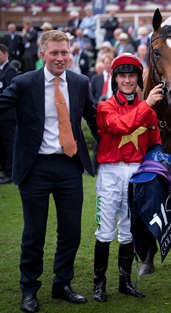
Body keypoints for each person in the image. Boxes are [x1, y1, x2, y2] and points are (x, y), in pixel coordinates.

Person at [0, 30, 98, 313]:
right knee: (34, 232)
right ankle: (29, 289)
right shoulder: (24, 83)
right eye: (54, 53)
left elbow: (93, 118)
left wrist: (110, 149)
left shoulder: (80, 82)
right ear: (42, 55)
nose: (60, 58)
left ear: (71, 53)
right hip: (35, 168)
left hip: (69, 166)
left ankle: (62, 284)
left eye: (64, 52)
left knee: (71, 232)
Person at [92, 53, 164, 302]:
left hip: (136, 172)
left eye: (132, 75)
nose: (127, 80)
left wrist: (159, 169)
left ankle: (125, 282)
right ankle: (99, 284)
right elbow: (120, 126)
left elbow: (155, 145)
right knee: (105, 231)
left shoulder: (150, 112)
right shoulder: (105, 107)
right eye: (122, 75)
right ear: (115, 79)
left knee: (128, 230)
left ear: (138, 78)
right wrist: (147, 104)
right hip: (110, 173)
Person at [0, 43, 19, 184]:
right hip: (2, 115)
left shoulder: (10, 70)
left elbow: (10, 93)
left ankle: (10, 172)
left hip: (8, 115)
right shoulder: (2, 70)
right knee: (2, 143)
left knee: (9, 143)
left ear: (5, 54)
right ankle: (4, 169)